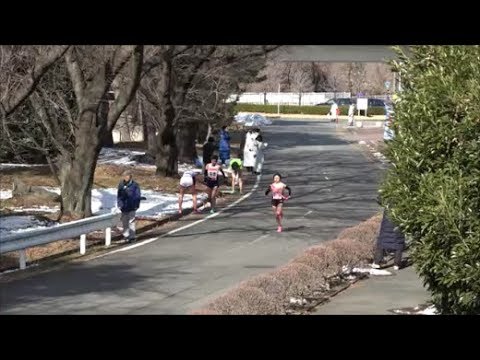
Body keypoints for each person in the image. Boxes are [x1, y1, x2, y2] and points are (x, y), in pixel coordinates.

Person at [117, 170, 141, 243]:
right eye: (125, 176)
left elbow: (137, 196)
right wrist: (119, 204)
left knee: (131, 221)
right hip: (124, 206)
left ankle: (132, 236)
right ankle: (126, 235)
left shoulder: (135, 185)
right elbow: (119, 195)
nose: (126, 177)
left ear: (130, 177)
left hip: (132, 206)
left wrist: (136, 205)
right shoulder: (121, 184)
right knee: (124, 221)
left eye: (127, 176)